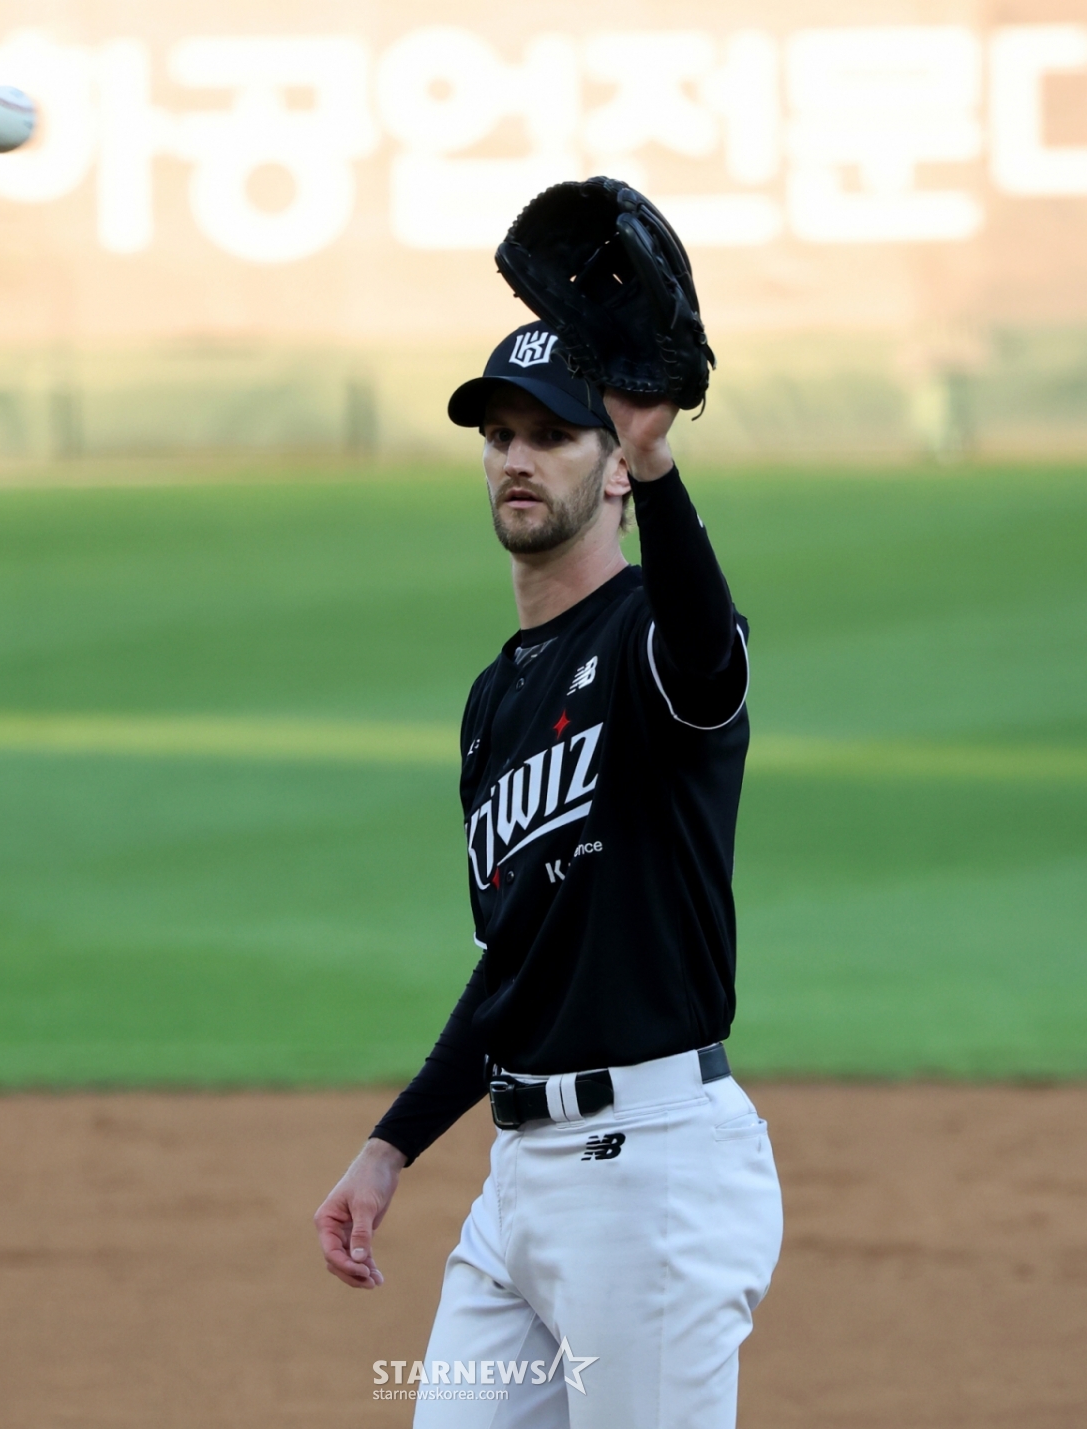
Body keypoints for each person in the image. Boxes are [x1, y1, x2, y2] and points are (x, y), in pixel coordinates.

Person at [314, 320, 782, 1428]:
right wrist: (391, 1148)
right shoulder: (493, 699)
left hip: (653, 1177)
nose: (516, 458)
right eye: (499, 434)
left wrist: (665, 467)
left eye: (554, 435)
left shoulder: (653, 639)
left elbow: (708, 651)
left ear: (615, 463)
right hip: (519, 1184)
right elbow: (516, 962)